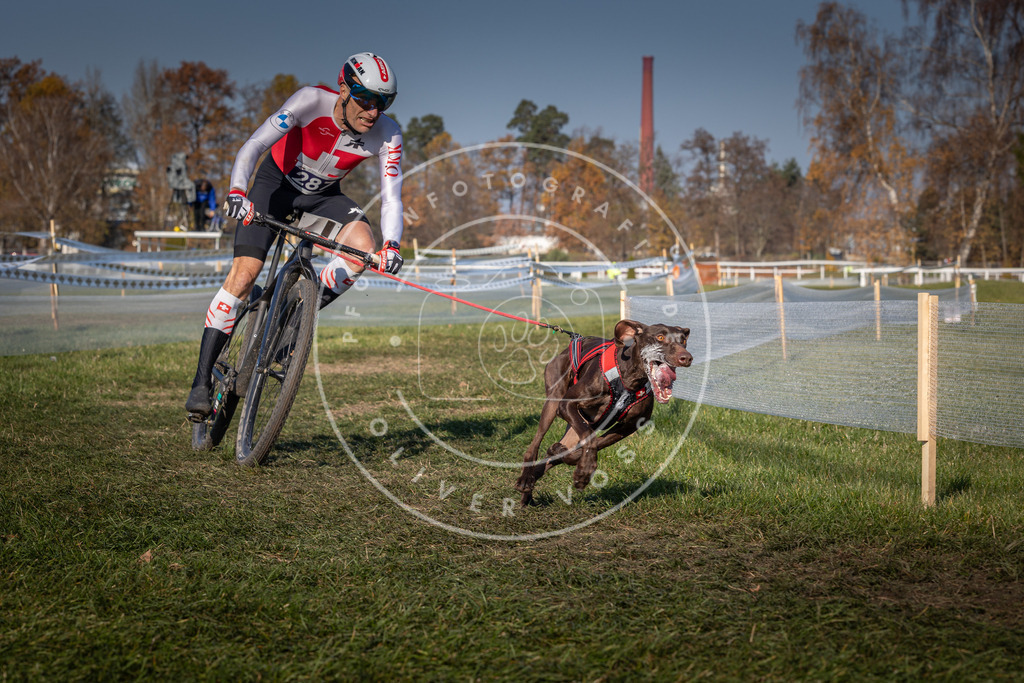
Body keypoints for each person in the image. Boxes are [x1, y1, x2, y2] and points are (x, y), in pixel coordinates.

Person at [185, 51, 404, 417]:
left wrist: (393, 245)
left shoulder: (388, 134)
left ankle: (294, 324)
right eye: (366, 99)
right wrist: (238, 191)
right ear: (344, 89)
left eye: (384, 103)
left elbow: (392, 197)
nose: (373, 111)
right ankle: (200, 382)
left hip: (322, 199)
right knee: (243, 276)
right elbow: (254, 145)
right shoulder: (310, 100)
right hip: (274, 187)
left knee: (362, 249)